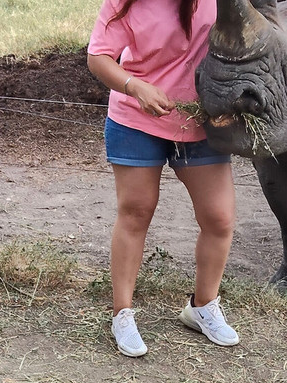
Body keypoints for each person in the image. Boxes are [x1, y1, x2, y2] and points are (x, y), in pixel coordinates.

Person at [87, 0, 240, 357]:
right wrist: (134, 87)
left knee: (219, 218)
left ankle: (203, 306)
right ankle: (122, 314)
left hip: (200, 121)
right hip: (137, 121)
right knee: (136, 212)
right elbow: (99, 57)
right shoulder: (125, 3)